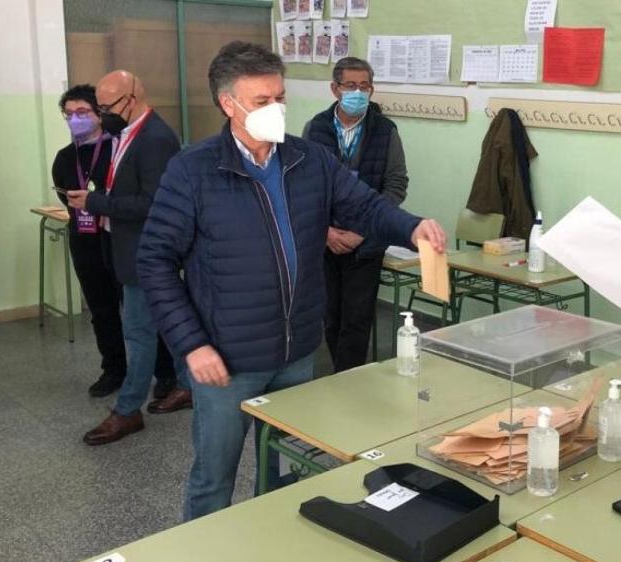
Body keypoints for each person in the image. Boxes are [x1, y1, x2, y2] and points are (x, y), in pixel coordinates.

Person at [137, 41, 447, 521]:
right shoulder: (193, 171)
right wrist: (191, 345)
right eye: (262, 102)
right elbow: (155, 262)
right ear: (228, 104)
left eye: (280, 97)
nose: (276, 109)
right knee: (212, 479)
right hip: (226, 360)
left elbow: (364, 205)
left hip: (297, 355)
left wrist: (411, 225)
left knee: (283, 476)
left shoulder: (309, 160)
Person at [68, 71, 191, 446]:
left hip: (148, 252)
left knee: (138, 332)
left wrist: (96, 202)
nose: (103, 115)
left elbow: (154, 203)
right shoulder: (127, 132)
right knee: (165, 325)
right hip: (128, 245)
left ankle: (127, 410)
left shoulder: (155, 139)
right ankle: (187, 386)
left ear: (134, 96)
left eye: (108, 107)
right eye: (100, 108)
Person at [302, 56, 409, 373]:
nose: (358, 92)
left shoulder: (386, 131)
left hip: (367, 242)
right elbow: (304, 186)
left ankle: (349, 382)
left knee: (357, 318)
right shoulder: (316, 128)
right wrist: (326, 232)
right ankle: (339, 374)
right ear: (335, 89)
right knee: (330, 315)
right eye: (351, 85)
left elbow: (396, 184)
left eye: (365, 86)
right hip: (325, 240)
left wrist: (366, 228)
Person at [52, 85, 124, 397]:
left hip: (119, 239)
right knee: (101, 308)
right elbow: (63, 194)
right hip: (84, 241)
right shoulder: (65, 157)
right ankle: (114, 369)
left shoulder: (119, 148)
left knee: (139, 308)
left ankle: (164, 373)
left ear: (99, 114)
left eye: (82, 113)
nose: (75, 120)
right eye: (69, 115)